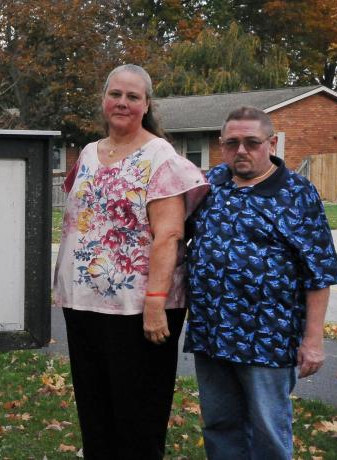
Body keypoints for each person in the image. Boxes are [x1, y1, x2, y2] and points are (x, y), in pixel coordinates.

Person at [53, 64, 208, 459]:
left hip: (140, 310)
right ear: (104, 100)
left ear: (146, 105)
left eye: (132, 96)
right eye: (115, 94)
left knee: (137, 420)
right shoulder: (88, 154)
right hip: (84, 305)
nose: (122, 103)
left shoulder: (160, 157)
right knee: (95, 414)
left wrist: (155, 301)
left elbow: (170, 233)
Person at [184, 106, 337, 459]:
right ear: (221, 145)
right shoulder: (211, 185)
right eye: (232, 143)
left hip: (268, 339)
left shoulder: (298, 194)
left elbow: (319, 272)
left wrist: (314, 340)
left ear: (271, 143)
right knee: (219, 426)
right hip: (212, 334)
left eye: (251, 142)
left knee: (268, 430)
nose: (241, 150)